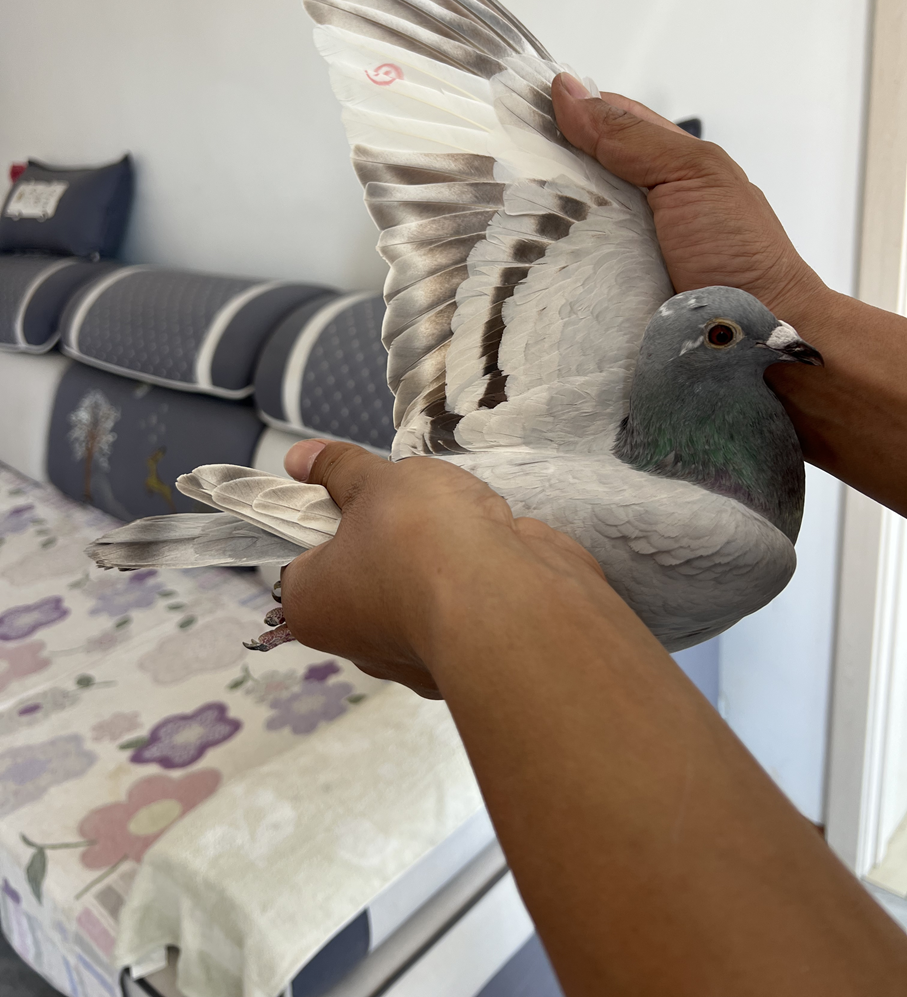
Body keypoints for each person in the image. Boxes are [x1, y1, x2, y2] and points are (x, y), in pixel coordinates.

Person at [279, 74, 907, 995]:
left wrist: (452, 604)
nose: (781, 339)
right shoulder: (725, 535)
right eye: (733, 335)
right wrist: (443, 587)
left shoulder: (716, 482)